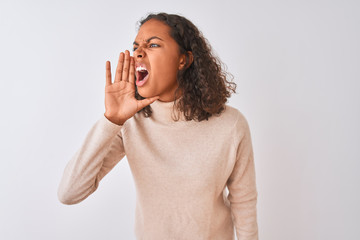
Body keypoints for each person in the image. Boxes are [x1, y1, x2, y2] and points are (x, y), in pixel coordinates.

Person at [57, 12, 258, 240]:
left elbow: (244, 202)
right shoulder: (129, 123)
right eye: (136, 46)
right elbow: (69, 193)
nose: (139, 52)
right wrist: (111, 120)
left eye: (152, 44)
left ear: (184, 60)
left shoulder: (231, 125)